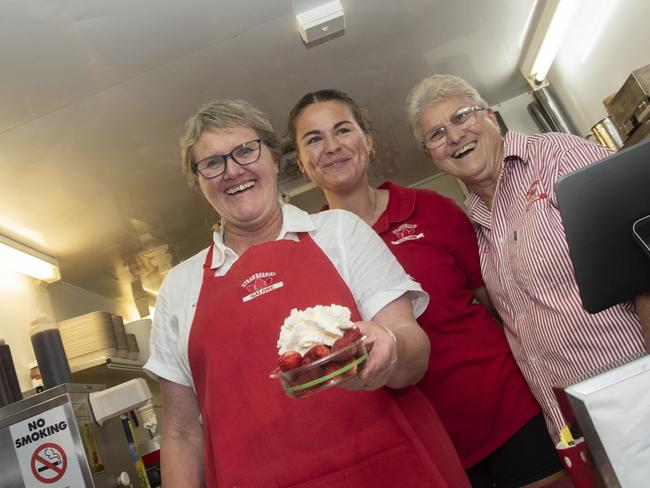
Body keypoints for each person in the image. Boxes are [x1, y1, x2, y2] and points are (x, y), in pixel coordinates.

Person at [144, 98, 470, 487]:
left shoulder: (340, 232)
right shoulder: (180, 287)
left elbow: (413, 349)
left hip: (388, 469)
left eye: (246, 150)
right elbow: (181, 433)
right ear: (198, 180)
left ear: (274, 157)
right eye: (212, 163)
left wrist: (390, 348)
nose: (233, 171)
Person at [285, 89, 565, 488]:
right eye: (313, 139)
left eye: (343, 130)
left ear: (368, 140)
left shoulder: (432, 209)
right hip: (421, 447)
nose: (331, 146)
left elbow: (502, 303)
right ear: (301, 163)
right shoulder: (308, 252)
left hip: (507, 414)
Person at [405, 74, 649, 445]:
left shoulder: (556, 155)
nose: (454, 136)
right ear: (430, 156)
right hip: (576, 422)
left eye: (461, 117)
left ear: (490, 115)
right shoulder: (473, 222)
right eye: (436, 134)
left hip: (635, 390)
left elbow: (643, 253)